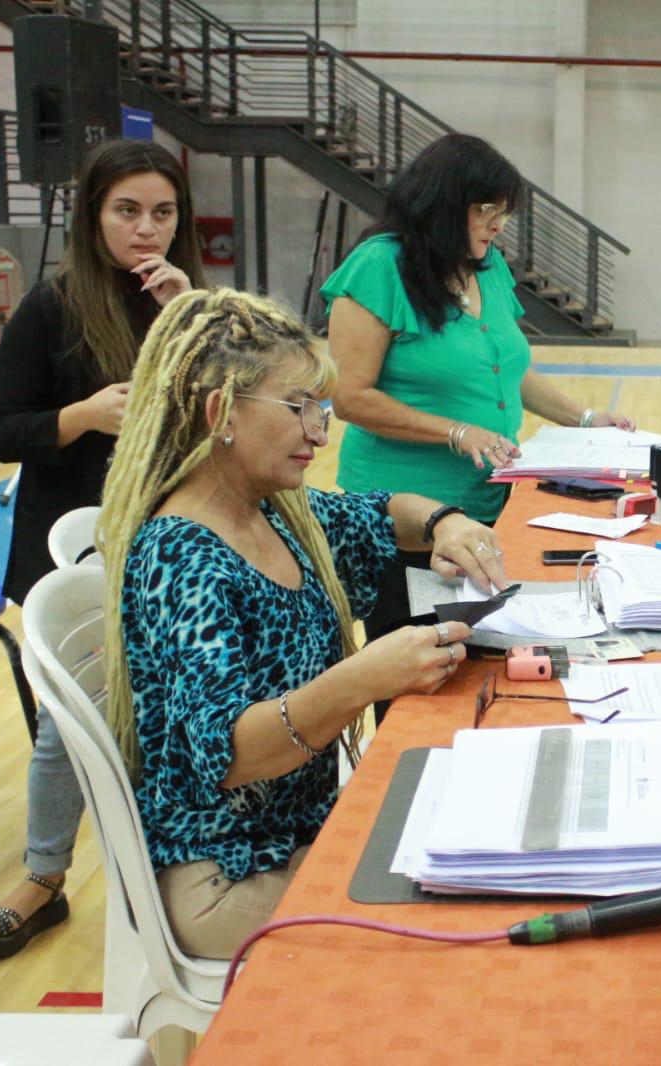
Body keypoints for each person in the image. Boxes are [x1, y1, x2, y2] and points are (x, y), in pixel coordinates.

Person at [93, 288, 506, 959]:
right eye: (299, 408)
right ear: (218, 412)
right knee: (459, 924)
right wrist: (361, 680)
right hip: (228, 872)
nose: (320, 430)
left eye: (321, 408)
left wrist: (444, 522)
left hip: (298, 830)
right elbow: (232, 754)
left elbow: (380, 511)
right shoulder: (183, 555)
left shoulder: (276, 512)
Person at [0, 139, 204, 959]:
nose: (146, 230)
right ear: (93, 216)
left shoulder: (189, 297)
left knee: (182, 708)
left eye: (163, 213)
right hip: (69, 542)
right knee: (68, 724)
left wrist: (192, 316)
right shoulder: (52, 305)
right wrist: (81, 417)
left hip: (173, 539)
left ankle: (186, 861)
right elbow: (6, 433)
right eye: (127, 211)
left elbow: (244, 401)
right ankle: (42, 878)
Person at [321, 133, 635, 654]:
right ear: (443, 203)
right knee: (412, 668)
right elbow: (351, 398)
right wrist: (457, 431)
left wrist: (583, 418)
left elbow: (508, 369)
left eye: (504, 212)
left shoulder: (486, 266)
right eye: (487, 209)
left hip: (488, 506)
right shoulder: (379, 267)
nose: (498, 224)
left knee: (477, 659)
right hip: (403, 517)